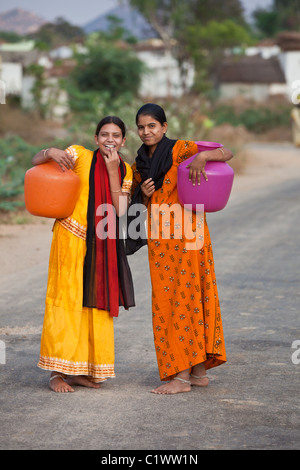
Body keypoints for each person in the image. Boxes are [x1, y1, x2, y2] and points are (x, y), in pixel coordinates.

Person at [127, 103, 233, 394]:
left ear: (164, 127)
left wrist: (203, 157)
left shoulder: (180, 150)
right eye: (141, 127)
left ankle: (181, 378)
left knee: (182, 298)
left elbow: (226, 152)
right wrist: (144, 195)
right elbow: (138, 200)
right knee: (178, 299)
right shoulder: (140, 163)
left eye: (152, 126)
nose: (146, 132)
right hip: (162, 240)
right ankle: (198, 372)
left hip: (190, 235)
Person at [33, 116, 135, 392]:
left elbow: (122, 209)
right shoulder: (78, 155)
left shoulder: (126, 169)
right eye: (104, 134)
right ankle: (56, 373)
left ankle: (80, 371)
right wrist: (48, 152)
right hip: (70, 237)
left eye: (116, 135)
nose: (110, 140)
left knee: (94, 306)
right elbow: (36, 162)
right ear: (96, 138)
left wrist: (113, 171)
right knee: (66, 302)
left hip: (102, 243)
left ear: (124, 140)